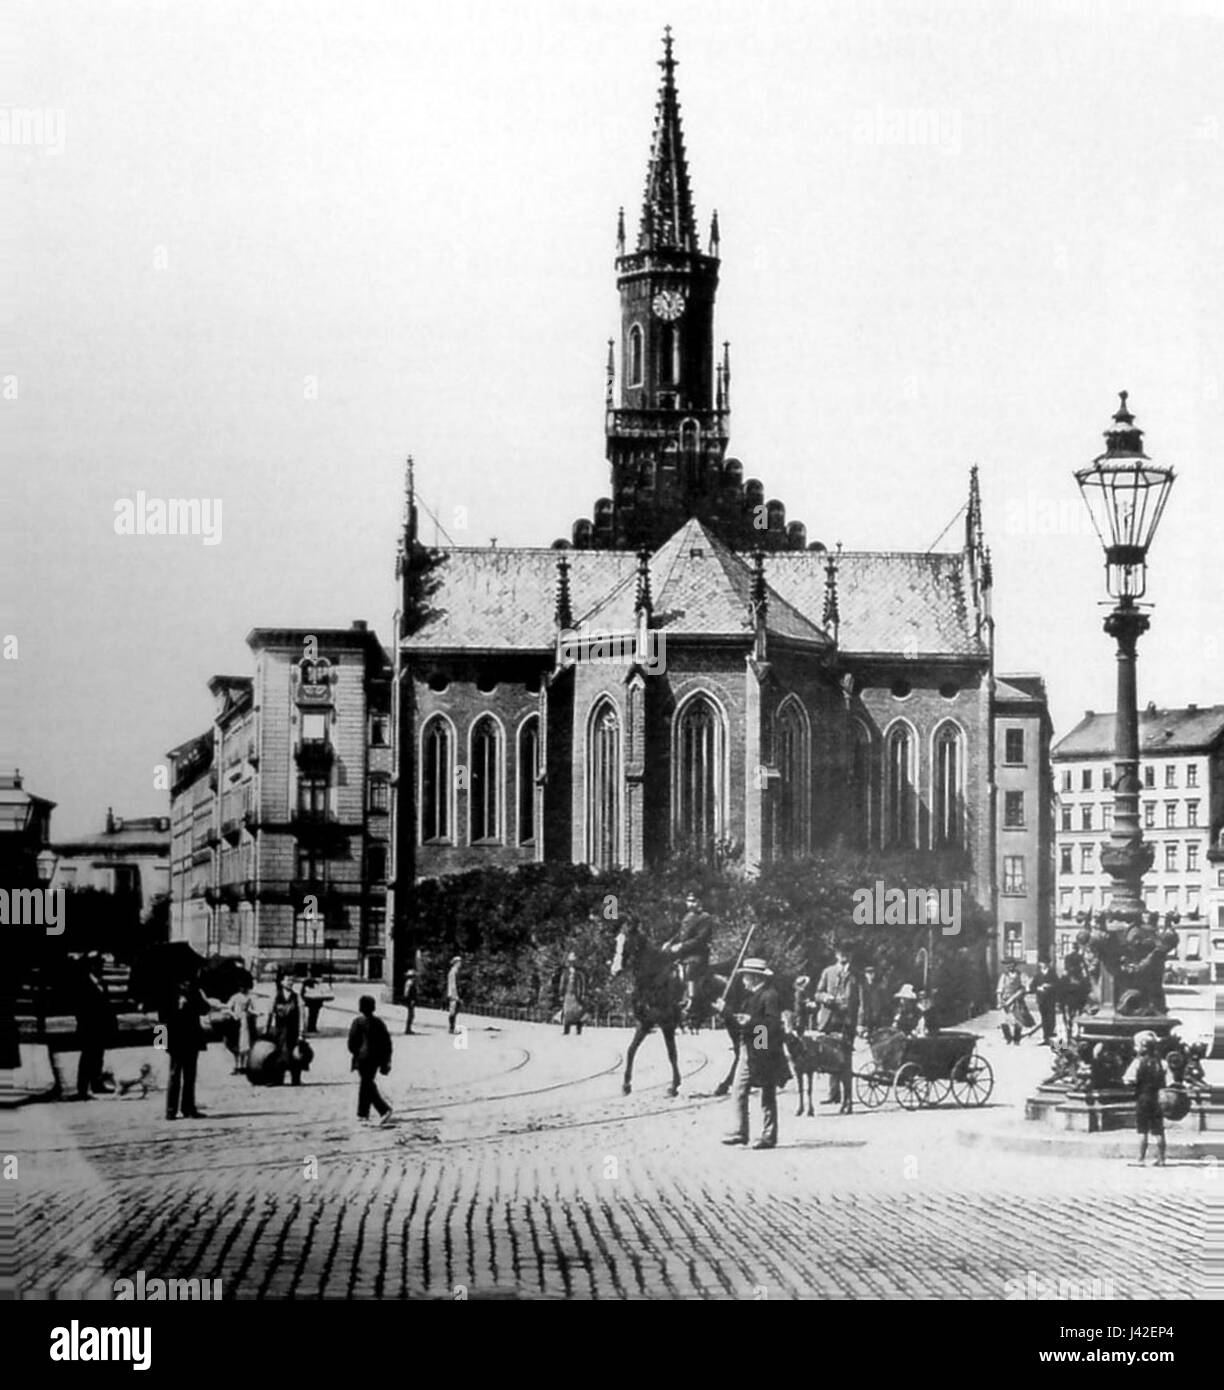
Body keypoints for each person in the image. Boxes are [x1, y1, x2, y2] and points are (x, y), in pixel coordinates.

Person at [722, 958, 785, 1150]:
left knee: (767, 1091)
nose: (743, 980)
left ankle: (769, 1135)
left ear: (755, 977)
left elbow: (772, 1025)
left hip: (763, 1048)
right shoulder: (750, 997)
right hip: (747, 1047)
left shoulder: (770, 996)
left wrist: (750, 1024)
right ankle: (741, 1132)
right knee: (739, 1089)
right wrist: (725, 1012)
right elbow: (741, 1021)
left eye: (746, 976)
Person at [812, 943, 859, 1104]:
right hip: (829, 1020)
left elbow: (863, 1001)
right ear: (836, 955)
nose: (844, 956)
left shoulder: (856, 975)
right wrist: (825, 997)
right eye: (841, 953)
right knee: (829, 1056)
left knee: (845, 1059)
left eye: (847, 952)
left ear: (851, 955)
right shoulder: (828, 972)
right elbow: (817, 993)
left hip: (847, 1022)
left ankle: (847, 1098)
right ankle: (833, 1095)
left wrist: (860, 1023)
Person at [162, 975, 210, 1120]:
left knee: (190, 1076)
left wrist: (193, 1000)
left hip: (191, 1040)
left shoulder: (195, 992)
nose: (187, 983)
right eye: (183, 981)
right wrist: (161, 1044)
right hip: (175, 1040)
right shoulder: (168, 993)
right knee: (174, 1075)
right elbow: (160, 1019)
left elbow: (205, 1009)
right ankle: (171, 1110)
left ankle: (188, 1108)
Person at [663, 892, 715, 1021]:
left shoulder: (705, 917)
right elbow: (681, 934)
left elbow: (700, 939)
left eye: (693, 901)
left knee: (690, 969)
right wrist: (670, 942)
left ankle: (691, 1001)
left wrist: (681, 946)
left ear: (699, 902)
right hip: (684, 954)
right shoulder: (687, 916)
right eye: (688, 901)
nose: (690, 904)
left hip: (698, 954)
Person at [347, 995, 394, 1126]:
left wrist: (356, 1052)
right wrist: (386, 1060)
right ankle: (363, 1113)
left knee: (367, 1084)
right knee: (366, 1083)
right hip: (375, 1059)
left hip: (362, 1059)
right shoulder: (379, 1023)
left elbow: (351, 1043)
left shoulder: (357, 1022)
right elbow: (387, 1043)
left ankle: (383, 1109)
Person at [74, 955, 115, 1101]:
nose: (100, 968)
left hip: (101, 1026)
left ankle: (97, 1084)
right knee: (87, 1058)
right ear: (91, 967)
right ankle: (82, 1089)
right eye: (97, 965)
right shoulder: (83, 984)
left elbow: (107, 1006)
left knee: (98, 1057)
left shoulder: (102, 983)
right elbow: (80, 1007)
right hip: (88, 1026)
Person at [1124, 1031, 1167, 1167]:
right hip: (1158, 1098)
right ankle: (1161, 1159)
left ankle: (1140, 1159)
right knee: (1158, 1130)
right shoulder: (1162, 1063)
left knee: (1142, 1129)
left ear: (1143, 1048)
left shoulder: (1138, 1062)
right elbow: (1168, 1081)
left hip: (1143, 1097)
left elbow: (1128, 1079)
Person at [267, 973, 305, 1085]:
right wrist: (267, 1028)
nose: (290, 982)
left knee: (295, 1055)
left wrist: (301, 1032)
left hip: (293, 1030)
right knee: (279, 1054)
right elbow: (269, 1013)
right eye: (288, 980)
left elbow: (302, 1015)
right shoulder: (276, 996)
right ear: (281, 982)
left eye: (292, 980)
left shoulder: (297, 997)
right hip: (280, 1031)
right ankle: (278, 1079)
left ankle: (296, 1079)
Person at [997, 963, 1032, 1046]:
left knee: (1018, 1020)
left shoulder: (1021, 975)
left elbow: (1025, 989)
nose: (1009, 967)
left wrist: (1016, 996)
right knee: (1003, 1020)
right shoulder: (1004, 976)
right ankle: (1008, 1037)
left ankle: (1017, 1039)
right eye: (1008, 965)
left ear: (1015, 966)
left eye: (1011, 965)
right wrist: (999, 1001)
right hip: (1005, 1000)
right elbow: (999, 989)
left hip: (1017, 1000)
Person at [226, 985, 257, 1074]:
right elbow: (228, 1008)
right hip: (236, 1023)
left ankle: (243, 1066)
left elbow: (249, 1009)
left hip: (245, 1022)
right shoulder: (235, 997)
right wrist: (234, 1015)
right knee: (236, 1044)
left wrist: (257, 1013)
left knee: (245, 1044)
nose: (243, 989)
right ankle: (237, 1066)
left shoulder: (248, 998)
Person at [557, 952, 587, 1036]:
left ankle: (578, 1030)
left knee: (578, 1013)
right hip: (568, 995)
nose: (572, 963)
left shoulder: (579, 973)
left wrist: (583, 994)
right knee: (567, 1013)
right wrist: (561, 994)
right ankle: (566, 1030)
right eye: (571, 961)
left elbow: (583, 984)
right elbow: (562, 983)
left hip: (577, 995)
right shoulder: (566, 973)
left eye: (574, 961)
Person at [1030, 958, 1059, 1045]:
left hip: (1050, 999)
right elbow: (1032, 987)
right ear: (1039, 964)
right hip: (1041, 1000)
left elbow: (1058, 984)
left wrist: (1050, 986)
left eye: (1046, 962)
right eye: (1042, 962)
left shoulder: (1052, 973)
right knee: (1044, 1018)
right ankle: (1045, 1038)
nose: (1044, 964)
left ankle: (1051, 1038)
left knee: (1051, 1019)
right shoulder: (1037, 975)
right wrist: (1038, 988)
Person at [858, 964, 887, 1038]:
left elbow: (879, 1003)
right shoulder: (861, 987)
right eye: (868, 973)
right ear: (865, 974)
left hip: (875, 1016)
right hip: (864, 1015)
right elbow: (861, 1003)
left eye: (872, 973)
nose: (870, 975)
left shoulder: (877, 988)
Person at [446, 955, 463, 1034]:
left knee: (455, 1011)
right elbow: (453, 985)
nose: (461, 963)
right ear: (456, 963)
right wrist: (455, 995)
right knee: (453, 1011)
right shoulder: (453, 972)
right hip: (453, 994)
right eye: (459, 962)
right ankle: (451, 1028)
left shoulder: (455, 971)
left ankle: (452, 1027)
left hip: (454, 994)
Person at [402, 969, 418, 1035]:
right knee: (411, 1015)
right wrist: (410, 1000)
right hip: (410, 1000)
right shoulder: (410, 982)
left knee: (411, 1015)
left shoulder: (409, 982)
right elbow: (407, 993)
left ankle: (408, 1029)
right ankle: (408, 1029)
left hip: (410, 1000)